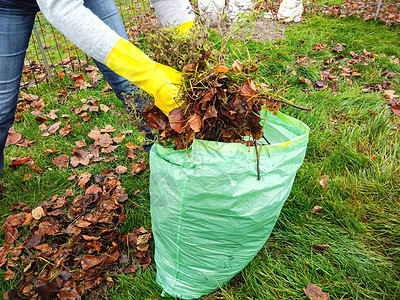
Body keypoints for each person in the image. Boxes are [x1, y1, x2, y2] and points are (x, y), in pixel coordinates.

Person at [0, 0, 195, 176]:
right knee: (2, 106)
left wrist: (188, 40)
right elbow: (61, 7)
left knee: (129, 85)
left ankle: (172, 160)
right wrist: (147, 73)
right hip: (10, 5)